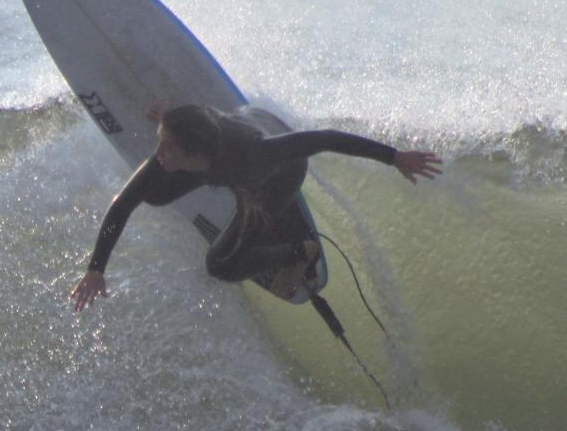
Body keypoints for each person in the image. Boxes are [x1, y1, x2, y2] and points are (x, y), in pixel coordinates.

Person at [71, 104, 442, 311]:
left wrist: (394, 157)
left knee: (220, 265)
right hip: (223, 143)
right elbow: (122, 205)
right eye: (161, 142)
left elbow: (325, 139)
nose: (159, 154)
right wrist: (96, 269)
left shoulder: (256, 156)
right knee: (150, 192)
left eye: (168, 147)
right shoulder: (185, 148)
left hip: (275, 181)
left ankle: (298, 251)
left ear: (194, 153)